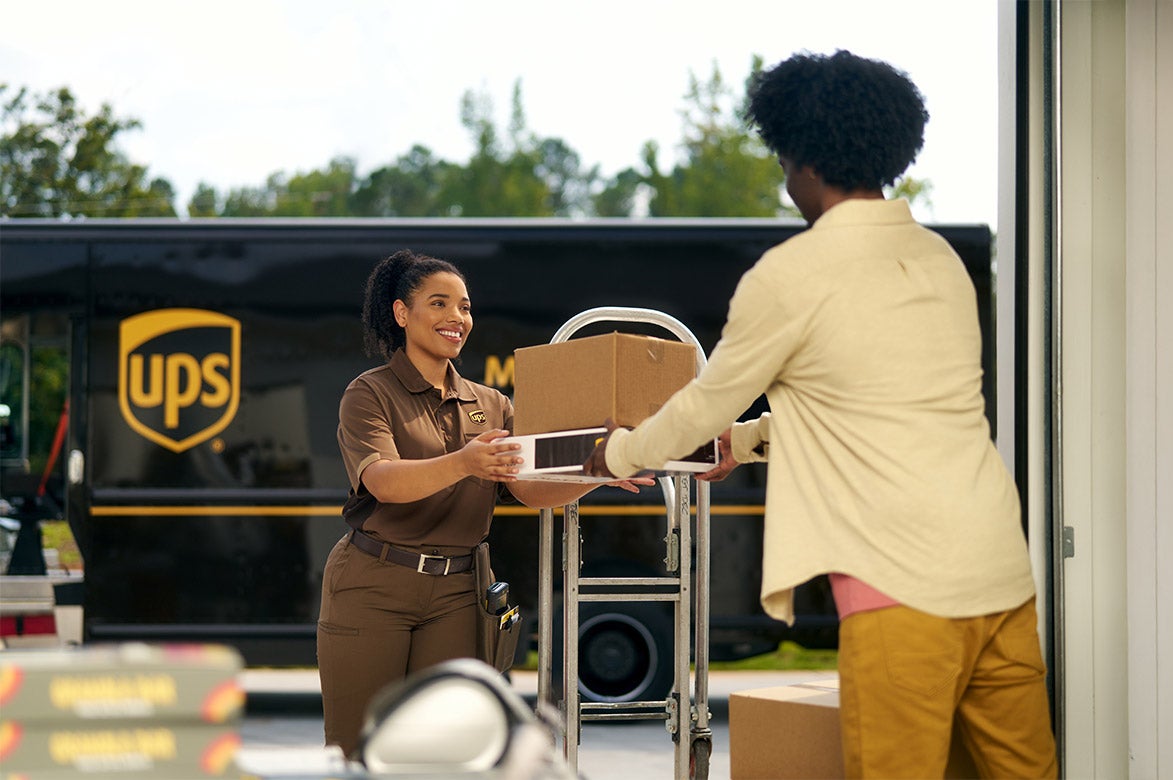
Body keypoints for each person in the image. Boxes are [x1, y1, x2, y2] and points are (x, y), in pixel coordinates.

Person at [585, 50, 1058, 779]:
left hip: (900, 589)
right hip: (998, 574)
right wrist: (741, 444)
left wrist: (616, 455)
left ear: (801, 157)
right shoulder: (939, 264)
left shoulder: (791, 274)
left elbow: (704, 400)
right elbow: (878, 409)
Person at [320, 249, 648, 757]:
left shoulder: (492, 403)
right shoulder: (369, 394)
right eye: (440, 303)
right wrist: (464, 462)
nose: (457, 318)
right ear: (401, 314)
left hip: (457, 591)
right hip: (373, 584)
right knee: (359, 748)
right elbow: (383, 482)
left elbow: (530, 488)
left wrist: (597, 473)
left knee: (446, 751)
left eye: (465, 307)